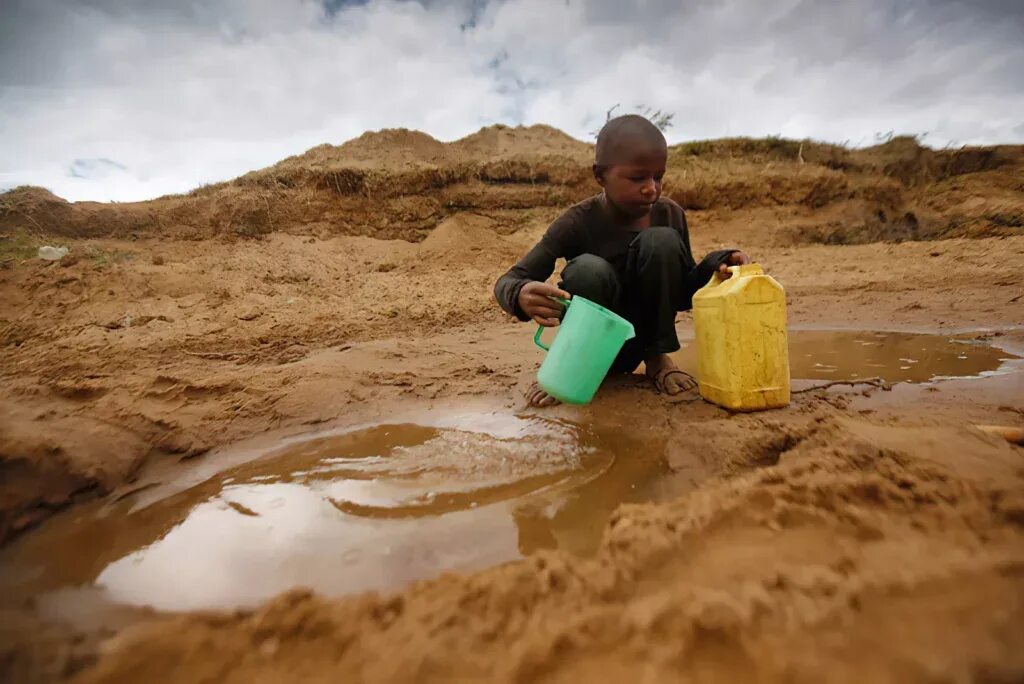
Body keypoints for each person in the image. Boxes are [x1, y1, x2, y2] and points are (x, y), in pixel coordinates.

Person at [493, 114, 750, 407]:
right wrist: (520, 294)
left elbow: (680, 294)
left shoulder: (670, 215)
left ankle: (658, 361)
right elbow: (508, 281)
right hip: (594, 342)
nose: (651, 188)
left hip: (646, 338)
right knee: (587, 269)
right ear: (600, 176)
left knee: (661, 241)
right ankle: (577, 367)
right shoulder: (576, 222)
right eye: (638, 177)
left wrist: (718, 263)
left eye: (659, 176)